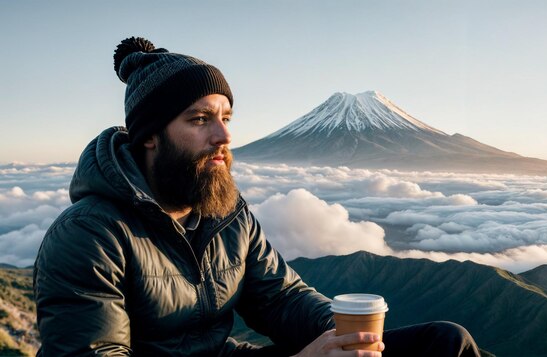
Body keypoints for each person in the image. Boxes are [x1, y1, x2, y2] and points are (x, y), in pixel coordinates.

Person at [34, 37, 480, 357]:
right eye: (199, 119)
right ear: (149, 136)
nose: (224, 135)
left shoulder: (225, 212)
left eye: (227, 117)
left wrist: (343, 336)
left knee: (445, 341)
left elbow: (281, 299)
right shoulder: (89, 236)